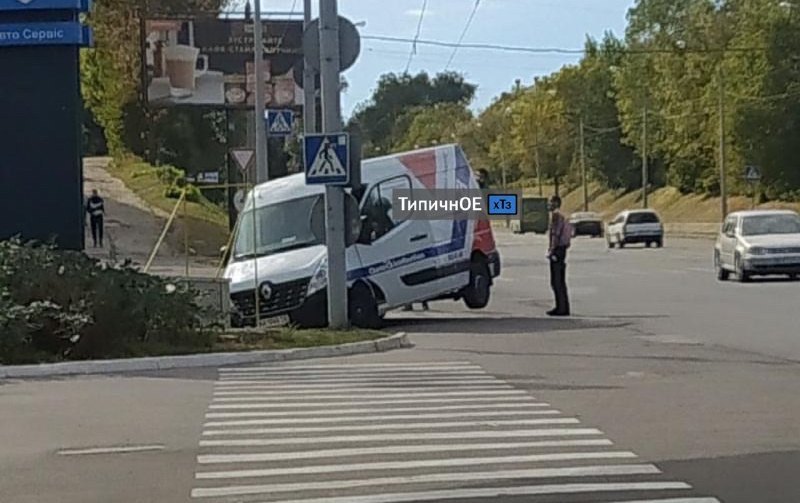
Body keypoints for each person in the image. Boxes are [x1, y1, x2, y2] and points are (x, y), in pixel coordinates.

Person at [546, 195, 571, 316]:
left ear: (556, 203)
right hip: (562, 249)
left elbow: (555, 234)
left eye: (550, 202)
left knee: (556, 281)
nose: (548, 205)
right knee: (560, 280)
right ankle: (563, 306)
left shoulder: (556, 216)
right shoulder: (563, 216)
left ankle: (561, 308)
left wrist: (551, 250)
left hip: (557, 250)